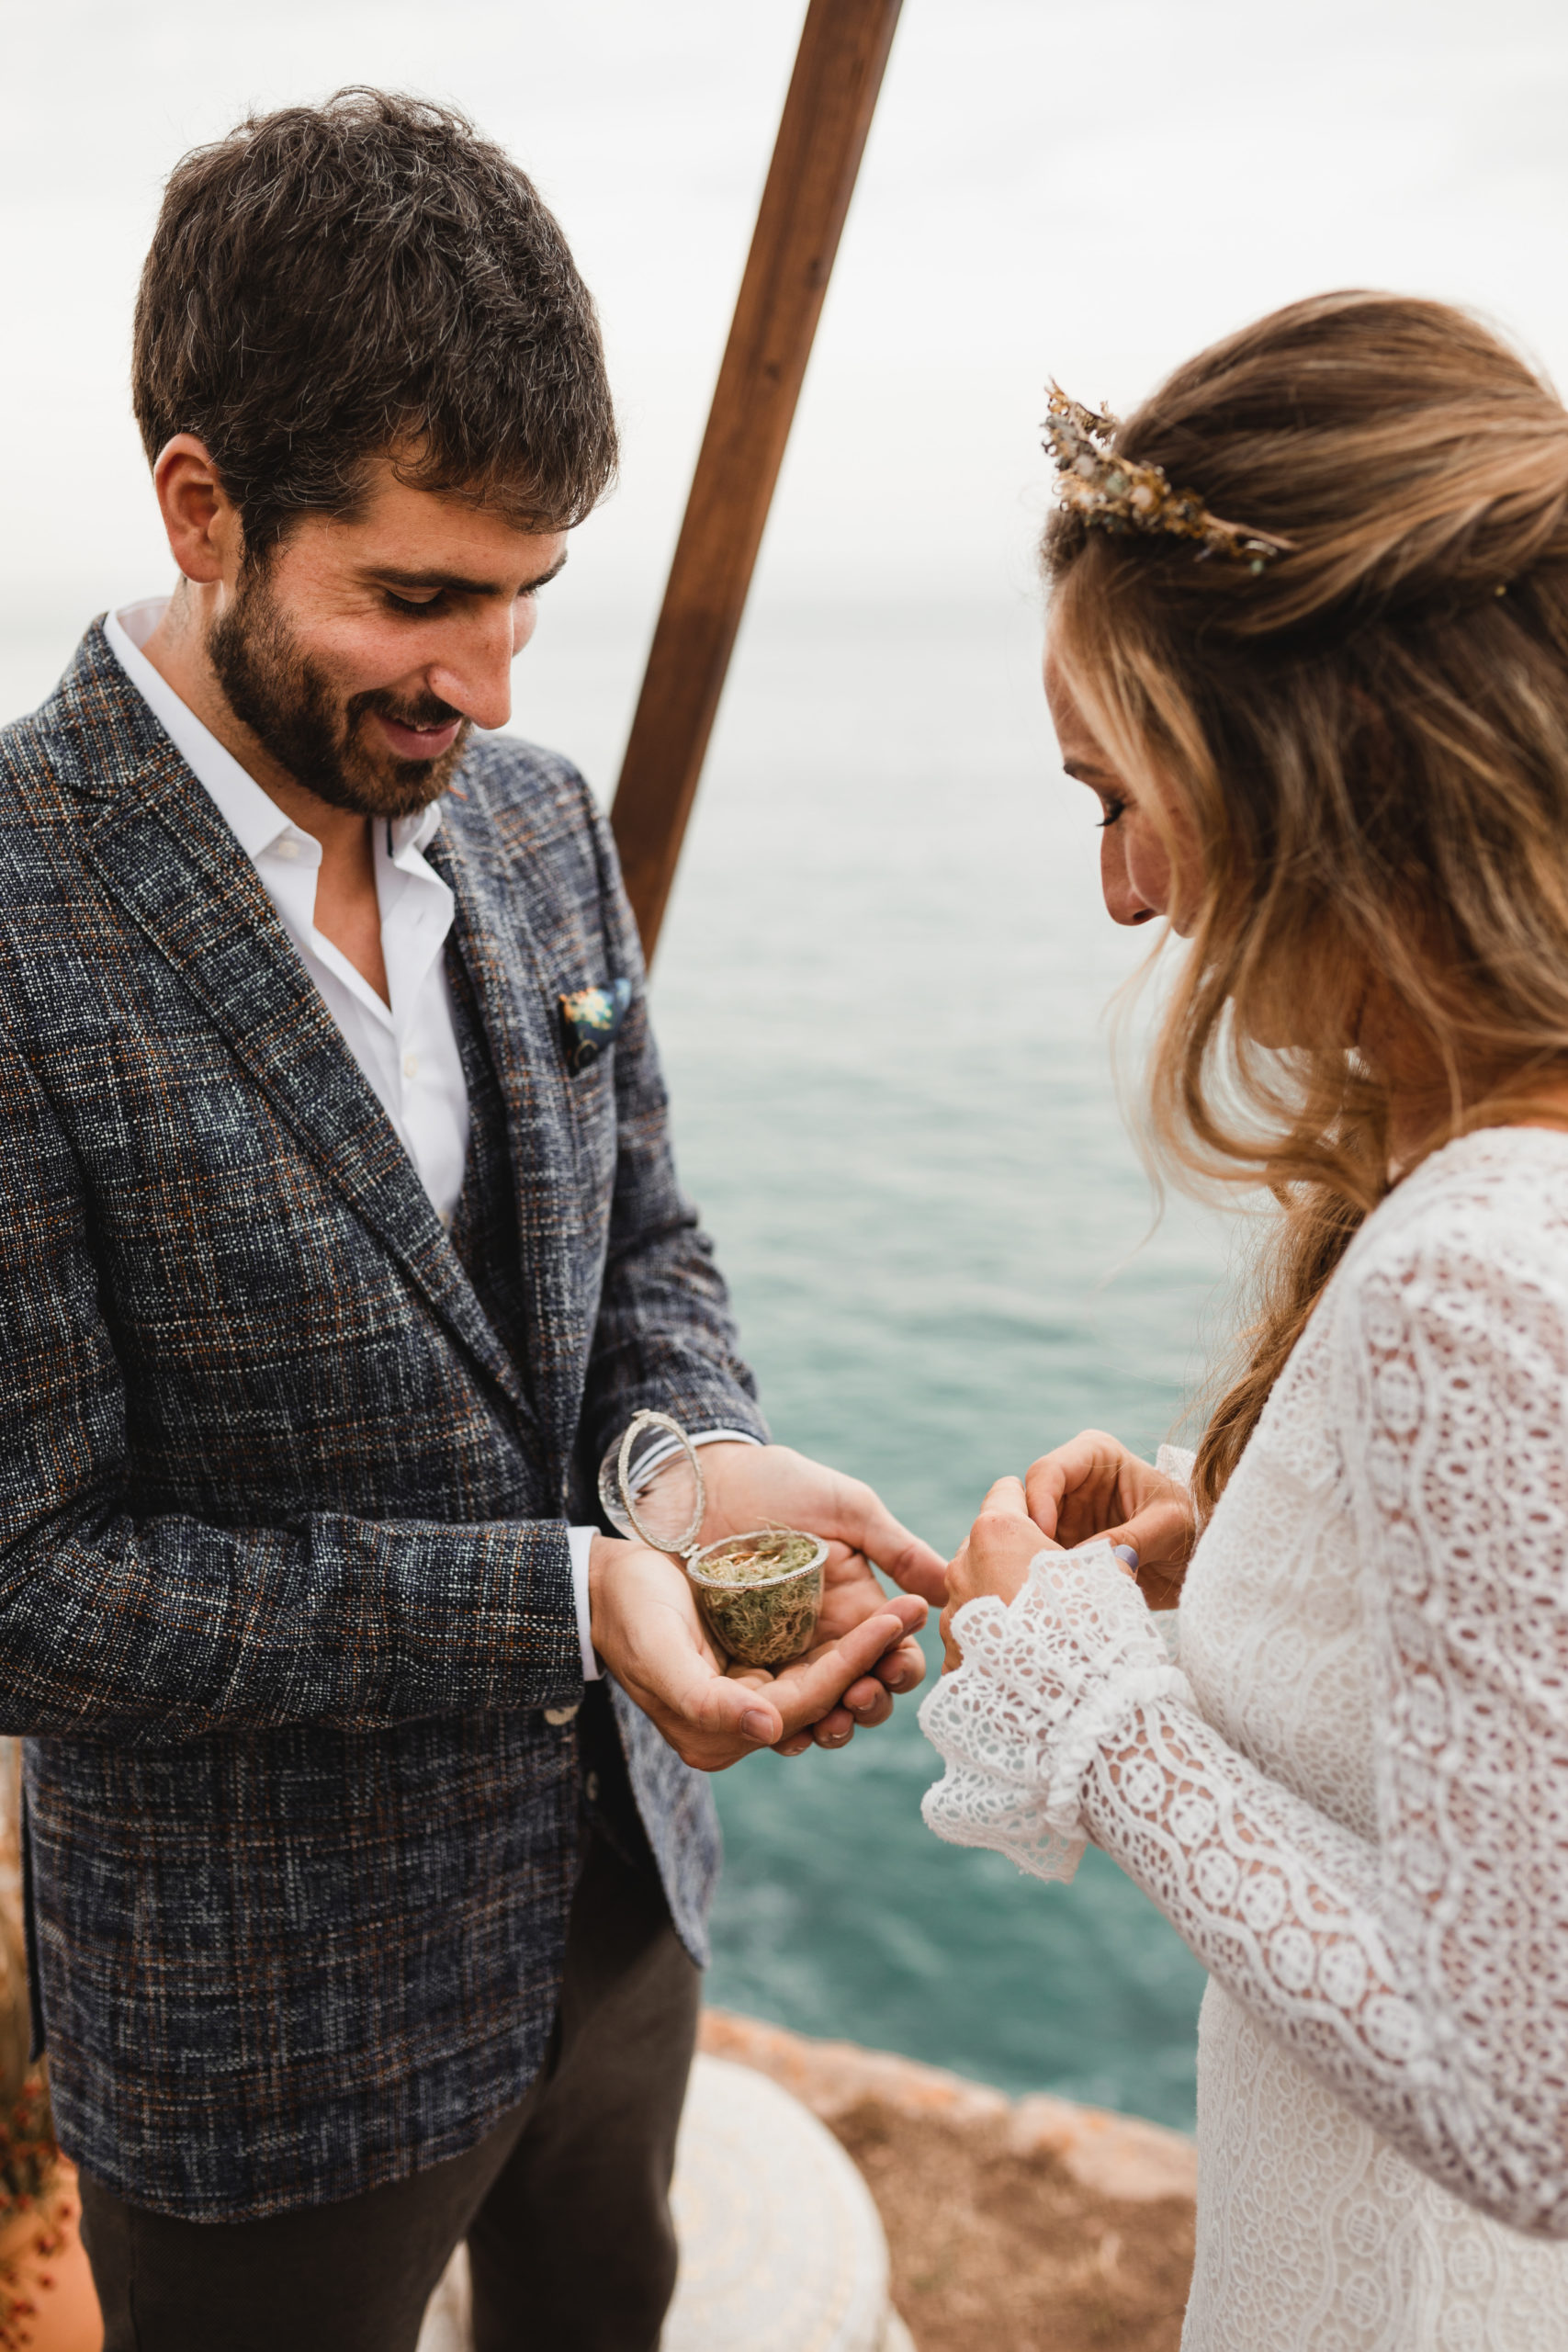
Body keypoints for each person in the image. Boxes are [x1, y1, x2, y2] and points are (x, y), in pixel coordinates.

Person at [0, 89, 945, 2351]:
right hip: (268, 2039)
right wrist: (564, 1597)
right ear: (204, 502)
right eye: (417, 598)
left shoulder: (530, 821)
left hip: (623, 1918)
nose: (490, 687)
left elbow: (643, 1265)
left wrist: (682, 1472)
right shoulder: (16, 914)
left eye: (524, 597)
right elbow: (37, 1584)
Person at [920, 294, 1568, 2348]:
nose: (1122, 889)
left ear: (1319, 763)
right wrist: (1271, 1545)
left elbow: (1517, 2086)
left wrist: (1078, 1677)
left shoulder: (1468, 1275)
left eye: (1123, 789)